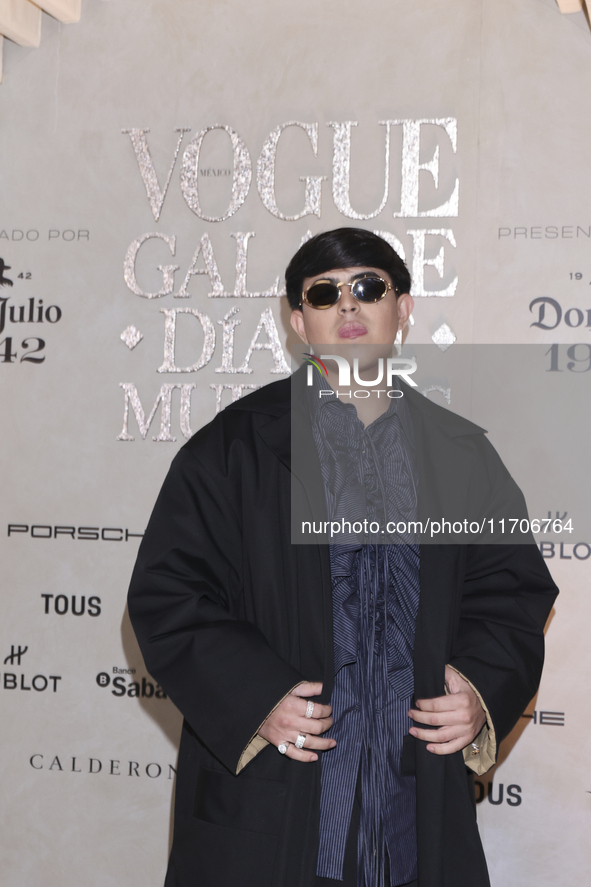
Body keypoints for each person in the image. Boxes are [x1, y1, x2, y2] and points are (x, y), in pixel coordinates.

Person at [127, 228, 558, 887]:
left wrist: (476, 687)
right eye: (324, 294)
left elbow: (510, 589)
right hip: (279, 796)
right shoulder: (232, 449)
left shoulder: (459, 453)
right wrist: (254, 694)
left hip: (411, 808)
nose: (348, 307)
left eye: (368, 288)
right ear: (299, 321)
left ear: (402, 308)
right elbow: (169, 591)